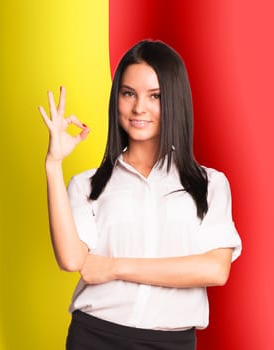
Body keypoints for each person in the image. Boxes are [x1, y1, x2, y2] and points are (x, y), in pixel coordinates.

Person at [38, 40, 242, 350]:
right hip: (94, 337)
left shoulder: (209, 184)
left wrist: (115, 266)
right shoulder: (87, 185)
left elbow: (215, 269)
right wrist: (53, 165)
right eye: (128, 93)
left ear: (174, 101)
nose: (139, 108)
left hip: (171, 342)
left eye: (155, 96)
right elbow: (72, 260)